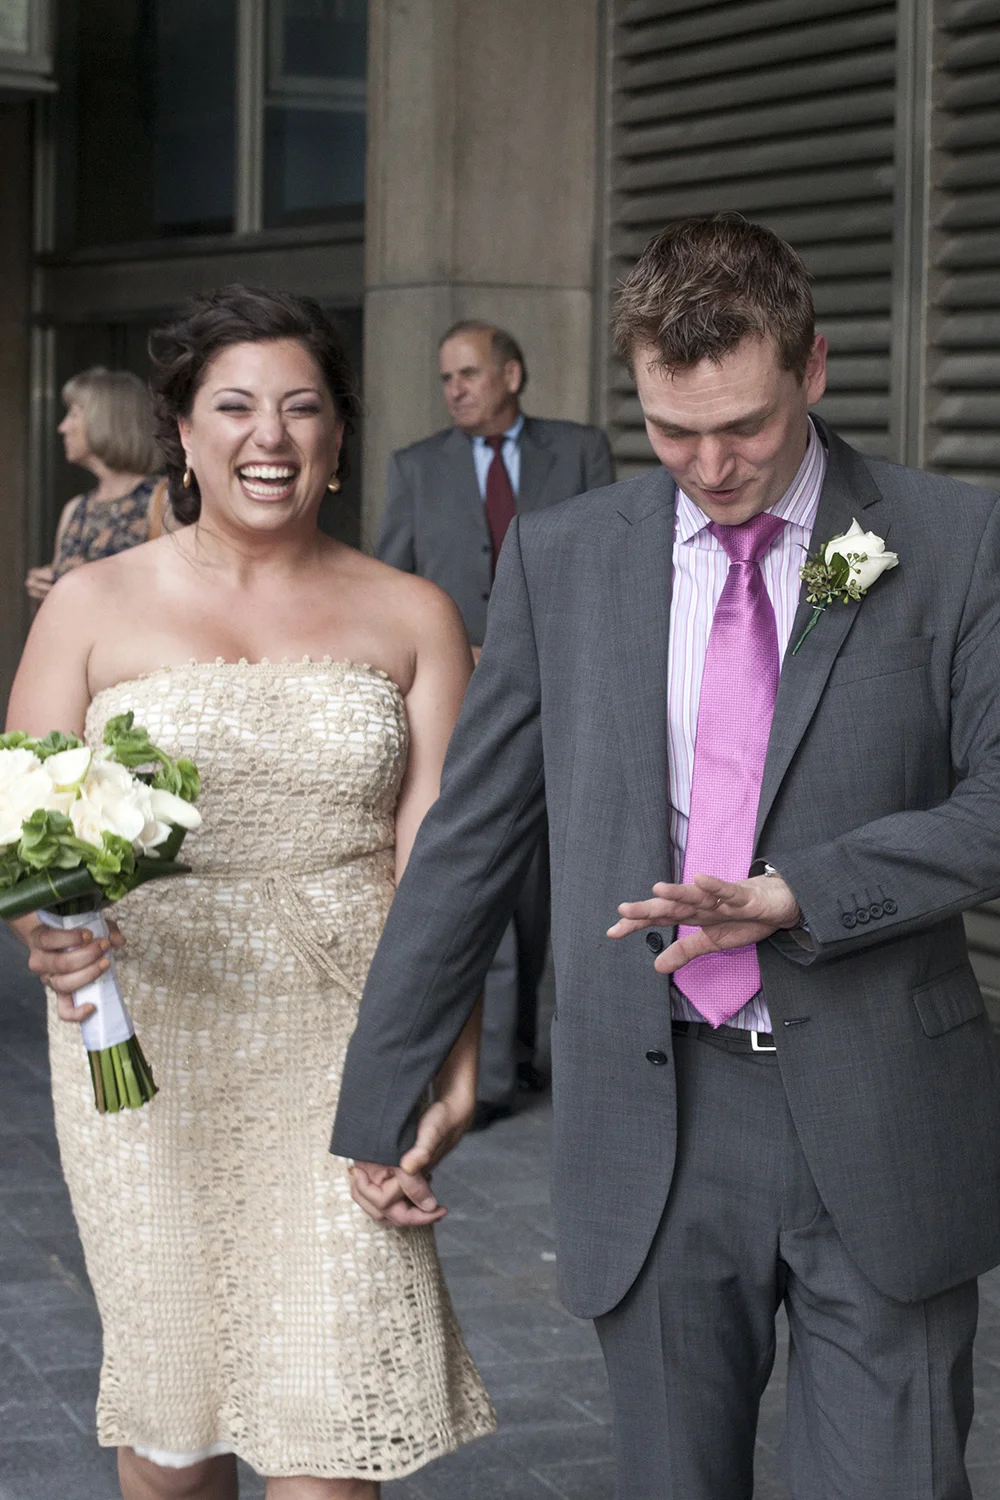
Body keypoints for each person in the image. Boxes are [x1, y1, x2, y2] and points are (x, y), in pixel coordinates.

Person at [331, 215, 1000, 1500]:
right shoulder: (569, 554)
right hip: (650, 1111)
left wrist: (803, 892)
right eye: (671, 430)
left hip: (877, 1105)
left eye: (743, 426)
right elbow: (473, 832)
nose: (709, 464)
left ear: (811, 367)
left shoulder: (957, 539)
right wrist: (386, 1095)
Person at [7, 285, 494, 1500]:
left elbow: (447, 865)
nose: (267, 437)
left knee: (333, 1439)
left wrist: (454, 1059)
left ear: (335, 437)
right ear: (181, 429)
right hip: (148, 1048)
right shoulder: (90, 604)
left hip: (349, 1039)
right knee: (175, 1441)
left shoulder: (415, 614)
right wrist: (45, 928)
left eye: (300, 408)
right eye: (234, 406)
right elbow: (25, 824)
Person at [377, 321, 614, 1126]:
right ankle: (489, 1073)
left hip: (562, 692)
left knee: (541, 886)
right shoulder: (416, 466)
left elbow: (607, 567)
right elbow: (392, 580)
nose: (454, 391)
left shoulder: (581, 451)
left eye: (469, 375)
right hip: (457, 703)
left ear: (512, 374)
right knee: (479, 859)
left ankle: (513, 1051)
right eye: (446, 378)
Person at [25, 366, 168, 603]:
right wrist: (50, 589)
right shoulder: (75, 509)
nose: (62, 427)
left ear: (104, 419)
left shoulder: (164, 499)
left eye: (72, 414)